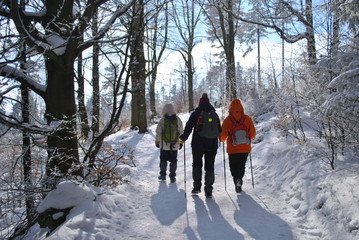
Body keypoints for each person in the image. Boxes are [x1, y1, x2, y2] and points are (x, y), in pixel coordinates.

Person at [179, 93, 221, 197]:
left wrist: (182, 139)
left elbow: (188, 128)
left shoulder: (195, 113)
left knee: (197, 165)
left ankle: (197, 188)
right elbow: (219, 130)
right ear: (208, 101)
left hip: (198, 145)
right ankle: (209, 190)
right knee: (210, 167)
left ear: (200, 101)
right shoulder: (214, 114)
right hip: (212, 145)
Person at [219, 99, 256, 193]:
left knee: (233, 166)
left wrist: (222, 140)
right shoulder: (247, 118)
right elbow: (252, 134)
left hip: (232, 148)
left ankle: (236, 180)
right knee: (241, 165)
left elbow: (223, 135)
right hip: (245, 147)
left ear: (230, 108)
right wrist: (250, 138)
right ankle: (239, 179)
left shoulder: (228, 120)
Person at [155, 104, 184, 183]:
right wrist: (181, 142)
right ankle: (172, 177)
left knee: (163, 160)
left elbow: (158, 132)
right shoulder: (178, 119)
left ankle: (163, 175)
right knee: (173, 161)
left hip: (164, 145)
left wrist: (157, 142)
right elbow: (181, 132)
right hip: (175, 145)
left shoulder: (162, 120)